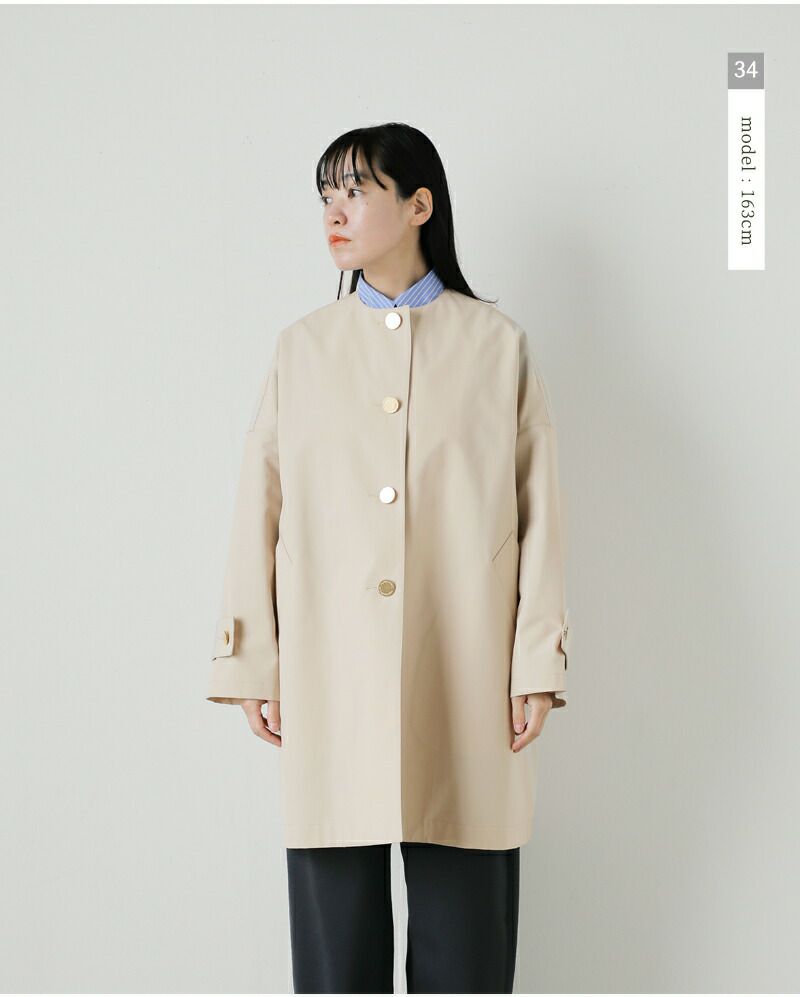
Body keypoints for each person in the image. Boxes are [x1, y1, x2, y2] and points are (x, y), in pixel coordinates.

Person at [206, 122, 571, 994]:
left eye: (356, 191)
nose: (334, 212)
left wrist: (536, 662)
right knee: (337, 959)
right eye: (325, 196)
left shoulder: (497, 346)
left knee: (467, 952)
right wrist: (252, 658)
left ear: (418, 205)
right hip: (332, 674)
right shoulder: (303, 348)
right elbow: (259, 508)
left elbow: (541, 517)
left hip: (466, 669)